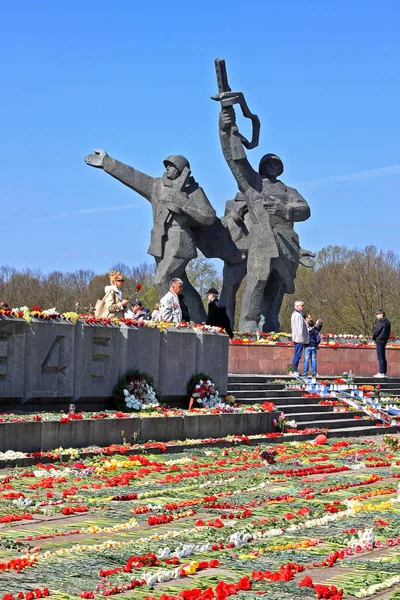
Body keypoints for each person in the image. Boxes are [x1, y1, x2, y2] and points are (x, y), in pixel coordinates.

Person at [85, 150, 216, 324]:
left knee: (162, 280)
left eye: (172, 166)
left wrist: (183, 203)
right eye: (167, 165)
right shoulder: (157, 186)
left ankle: (169, 322)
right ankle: (200, 319)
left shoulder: (194, 191)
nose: (168, 168)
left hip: (180, 240)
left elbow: (208, 216)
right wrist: (108, 163)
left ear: (182, 169)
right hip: (161, 241)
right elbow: (133, 176)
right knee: (183, 285)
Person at [217, 100, 311, 332]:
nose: (271, 167)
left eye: (275, 164)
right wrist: (225, 128)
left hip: (285, 243)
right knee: (257, 279)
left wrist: (283, 210)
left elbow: (305, 210)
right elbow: (234, 160)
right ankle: (248, 321)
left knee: (277, 285)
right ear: (261, 167)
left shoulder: (289, 191)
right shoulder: (253, 185)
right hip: (261, 240)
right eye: (267, 163)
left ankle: (270, 322)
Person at [290, 301, 309, 376]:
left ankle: (293, 370)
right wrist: (301, 339)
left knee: (297, 354)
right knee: (297, 354)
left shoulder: (295, 314)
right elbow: (299, 328)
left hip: (297, 338)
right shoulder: (297, 315)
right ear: (297, 306)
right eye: (302, 305)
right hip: (299, 338)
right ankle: (294, 370)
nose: (303, 307)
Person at [372, 309, 391, 378]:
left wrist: (374, 338)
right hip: (384, 340)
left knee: (380, 357)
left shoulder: (380, 322)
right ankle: (384, 372)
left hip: (379, 340)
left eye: (377, 314)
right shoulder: (387, 322)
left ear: (381, 314)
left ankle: (381, 372)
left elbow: (376, 331)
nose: (376, 316)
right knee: (383, 357)